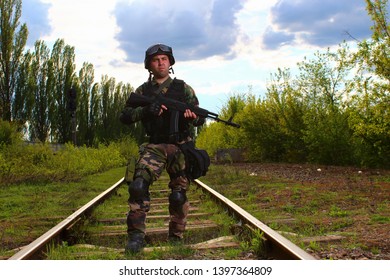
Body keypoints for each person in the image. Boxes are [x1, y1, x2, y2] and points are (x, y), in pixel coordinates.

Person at [119, 43, 205, 254]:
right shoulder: (143, 91)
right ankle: (136, 236)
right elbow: (125, 116)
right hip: (155, 145)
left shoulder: (183, 89)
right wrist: (147, 111)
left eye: (164, 59)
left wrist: (192, 118)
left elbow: (200, 118)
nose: (161, 63)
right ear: (149, 65)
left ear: (170, 63)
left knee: (178, 194)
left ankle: (176, 236)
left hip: (180, 146)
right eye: (156, 60)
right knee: (138, 185)